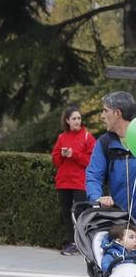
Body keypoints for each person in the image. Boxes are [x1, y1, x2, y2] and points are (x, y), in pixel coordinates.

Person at [53, 104, 95, 255]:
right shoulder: (62, 137)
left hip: (79, 182)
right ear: (67, 121)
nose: (77, 121)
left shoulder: (87, 136)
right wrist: (61, 154)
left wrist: (74, 154)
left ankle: (82, 243)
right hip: (64, 182)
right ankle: (72, 243)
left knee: (80, 213)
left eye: (79, 118)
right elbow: (56, 161)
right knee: (66, 213)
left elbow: (90, 161)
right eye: (74, 119)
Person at [85, 91, 136, 212]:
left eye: (105, 110)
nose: (102, 116)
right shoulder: (104, 143)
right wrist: (97, 198)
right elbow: (93, 176)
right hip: (119, 220)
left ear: (117, 113)